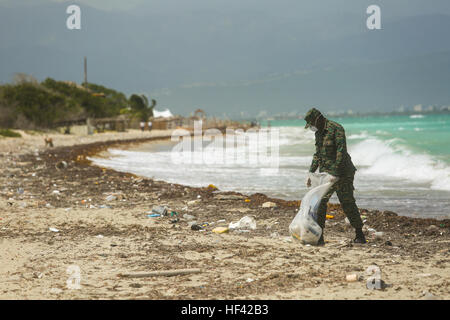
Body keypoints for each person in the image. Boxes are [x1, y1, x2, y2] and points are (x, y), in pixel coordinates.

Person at [304, 107, 366, 245]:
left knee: (347, 203)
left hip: (343, 173)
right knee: (320, 202)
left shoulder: (336, 129)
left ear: (318, 119)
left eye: (312, 124)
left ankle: (359, 234)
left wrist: (335, 173)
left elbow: (341, 152)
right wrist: (310, 173)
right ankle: (319, 237)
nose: (312, 127)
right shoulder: (318, 133)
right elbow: (318, 154)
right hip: (327, 174)